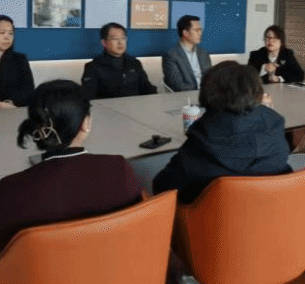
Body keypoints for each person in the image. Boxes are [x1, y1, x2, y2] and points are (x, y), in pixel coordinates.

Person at [0, 81, 143, 257]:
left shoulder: (9, 190)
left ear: (36, 128)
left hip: (40, 274)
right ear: (86, 123)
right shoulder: (119, 170)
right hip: (117, 267)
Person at [153, 61, 291, 205]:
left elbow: (162, 188)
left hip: (210, 218)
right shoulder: (275, 128)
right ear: (256, 91)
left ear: (207, 93)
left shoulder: (201, 141)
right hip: (274, 213)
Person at [81, 22, 157, 99]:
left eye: (123, 38)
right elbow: (89, 97)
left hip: (135, 105)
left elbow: (147, 88)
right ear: (104, 43)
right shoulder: (93, 67)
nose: (120, 43)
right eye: (115, 39)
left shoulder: (134, 63)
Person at [162, 15, 212, 92]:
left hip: (206, 94)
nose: (200, 33)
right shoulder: (171, 56)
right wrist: (201, 89)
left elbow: (211, 78)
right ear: (185, 33)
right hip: (186, 96)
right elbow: (178, 86)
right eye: (196, 30)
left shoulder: (203, 53)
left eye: (200, 30)